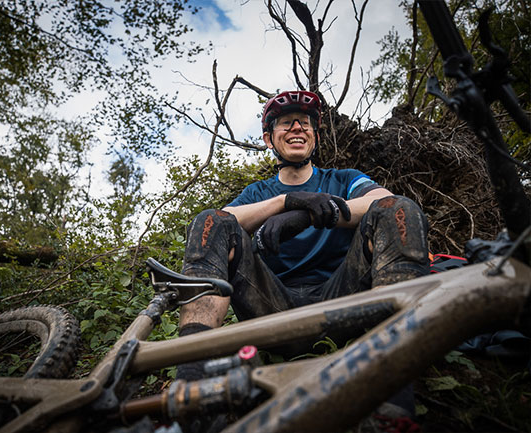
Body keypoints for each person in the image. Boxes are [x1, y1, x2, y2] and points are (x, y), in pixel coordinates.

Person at [176, 91, 429, 421]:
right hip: (275, 309)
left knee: (398, 210)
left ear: (314, 136)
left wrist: (312, 213)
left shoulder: (344, 179)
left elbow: (386, 200)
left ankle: (394, 403)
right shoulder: (257, 193)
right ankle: (192, 388)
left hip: (343, 301)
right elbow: (218, 223)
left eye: (305, 123)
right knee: (210, 221)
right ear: (269, 139)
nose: (297, 127)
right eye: (286, 123)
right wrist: (285, 203)